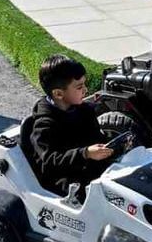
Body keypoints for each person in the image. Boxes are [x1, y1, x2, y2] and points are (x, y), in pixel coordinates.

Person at [25, 55, 114, 196]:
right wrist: (85, 153)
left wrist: (114, 145)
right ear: (59, 93)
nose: (85, 90)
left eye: (84, 84)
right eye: (79, 87)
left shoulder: (85, 110)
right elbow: (49, 162)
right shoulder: (44, 124)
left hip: (87, 168)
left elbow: (96, 138)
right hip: (62, 179)